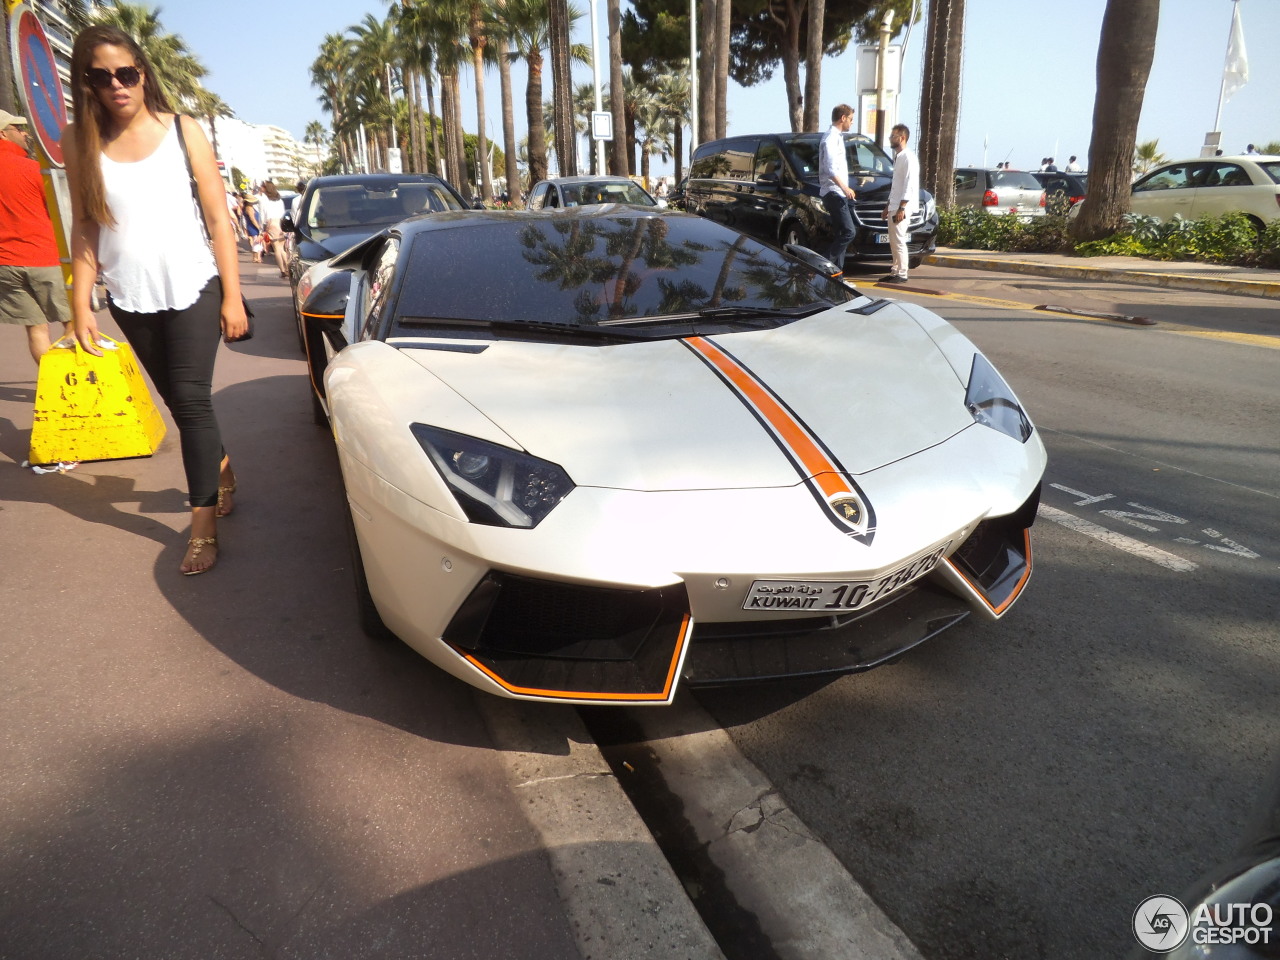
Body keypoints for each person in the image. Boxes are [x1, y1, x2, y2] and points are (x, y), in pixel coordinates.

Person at [62, 24, 248, 575]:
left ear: (143, 73)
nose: (117, 84)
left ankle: (202, 531)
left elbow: (218, 218)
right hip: (128, 292)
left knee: (191, 401)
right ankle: (223, 469)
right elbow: (85, 228)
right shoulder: (80, 141)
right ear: (88, 82)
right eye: (102, 76)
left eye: (126, 73)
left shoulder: (183, 129)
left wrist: (233, 297)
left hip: (193, 283)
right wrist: (79, 307)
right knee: (177, 399)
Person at [0, 109, 72, 367]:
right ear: (3, 134)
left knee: (36, 330)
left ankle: (52, 387)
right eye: (18, 129)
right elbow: (61, 212)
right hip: (45, 257)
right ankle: (80, 388)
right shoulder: (33, 170)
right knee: (74, 324)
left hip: (6, 264)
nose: (25, 133)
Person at [818, 104, 857, 273]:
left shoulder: (838, 137)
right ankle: (821, 264)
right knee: (849, 232)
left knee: (842, 233)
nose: (851, 123)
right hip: (834, 192)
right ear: (843, 118)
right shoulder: (830, 139)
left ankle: (837, 275)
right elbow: (830, 169)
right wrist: (845, 188)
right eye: (851, 119)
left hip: (839, 193)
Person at [880, 123, 919, 285]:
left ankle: (902, 273)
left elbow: (909, 184)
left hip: (902, 206)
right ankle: (895, 270)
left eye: (893, 136)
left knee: (899, 239)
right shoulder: (899, 157)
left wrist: (901, 208)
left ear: (902, 138)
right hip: (894, 205)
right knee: (893, 240)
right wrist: (888, 206)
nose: (890, 139)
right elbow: (896, 185)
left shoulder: (908, 157)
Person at [258, 180, 287, 277]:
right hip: (281, 222)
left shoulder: (264, 201)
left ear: (266, 189)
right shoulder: (279, 200)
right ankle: (287, 268)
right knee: (282, 248)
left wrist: (262, 229)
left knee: (276, 248)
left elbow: (262, 216)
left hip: (271, 223)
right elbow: (283, 212)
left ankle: (282, 270)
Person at [241, 191, 263, 262]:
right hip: (253, 226)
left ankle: (257, 257)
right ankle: (256, 258)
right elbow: (252, 219)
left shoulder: (248, 207)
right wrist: (258, 227)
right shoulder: (249, 208)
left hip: (251, 226)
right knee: (256, 241)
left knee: (257, 242)